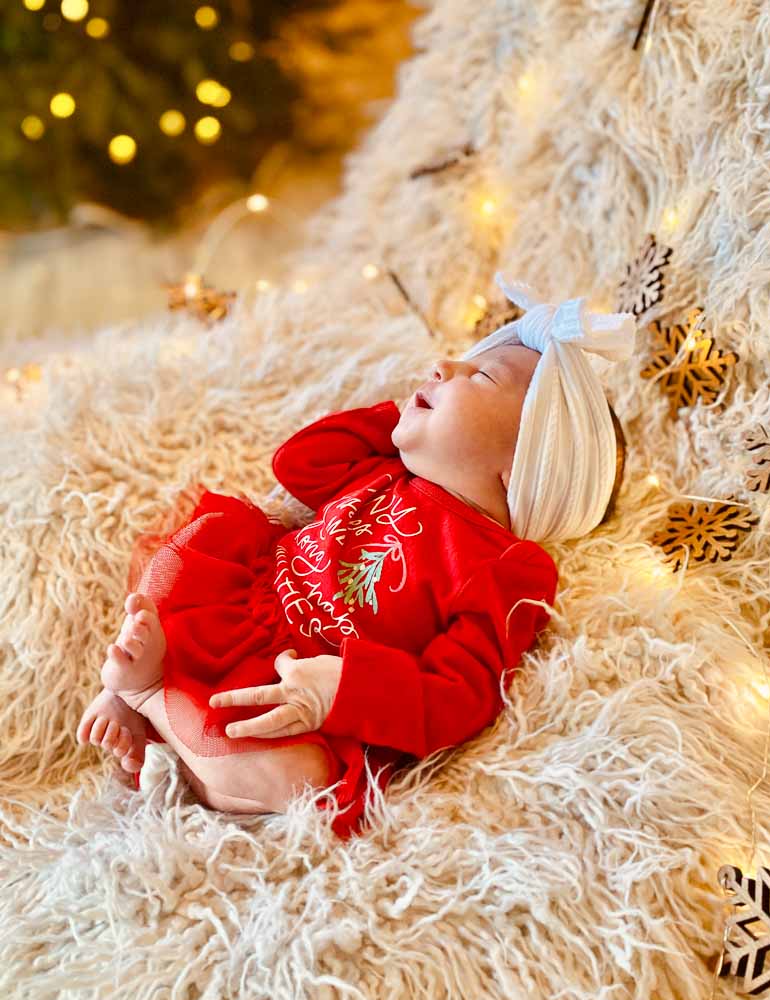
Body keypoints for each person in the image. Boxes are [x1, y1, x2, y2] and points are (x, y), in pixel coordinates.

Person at [76, 271, 636, 839]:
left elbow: (462, 694)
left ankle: (150, 700)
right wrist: (406, 418)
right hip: (250, 607)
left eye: (481, 375)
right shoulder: (385, 468)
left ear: (522, 471)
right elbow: (297, 464)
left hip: (305, 686)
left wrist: (344, 691)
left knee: (305, 779)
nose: (445, 366)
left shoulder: (508, 567)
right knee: (209, 533)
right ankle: (146, 699)